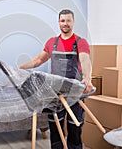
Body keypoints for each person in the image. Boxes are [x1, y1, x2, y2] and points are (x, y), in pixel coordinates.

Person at [18, 9, 93, 149]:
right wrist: (20, 68)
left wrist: (87, 78)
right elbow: (39, 60)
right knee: (55, 129)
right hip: (54, 94)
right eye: (62, 21)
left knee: (74, 129)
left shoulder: (80, 42)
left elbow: (85, 60)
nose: (65, 24)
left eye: (68, 21)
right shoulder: (52, 42)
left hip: (75, 92)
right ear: (59, 22)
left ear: (73, 22)